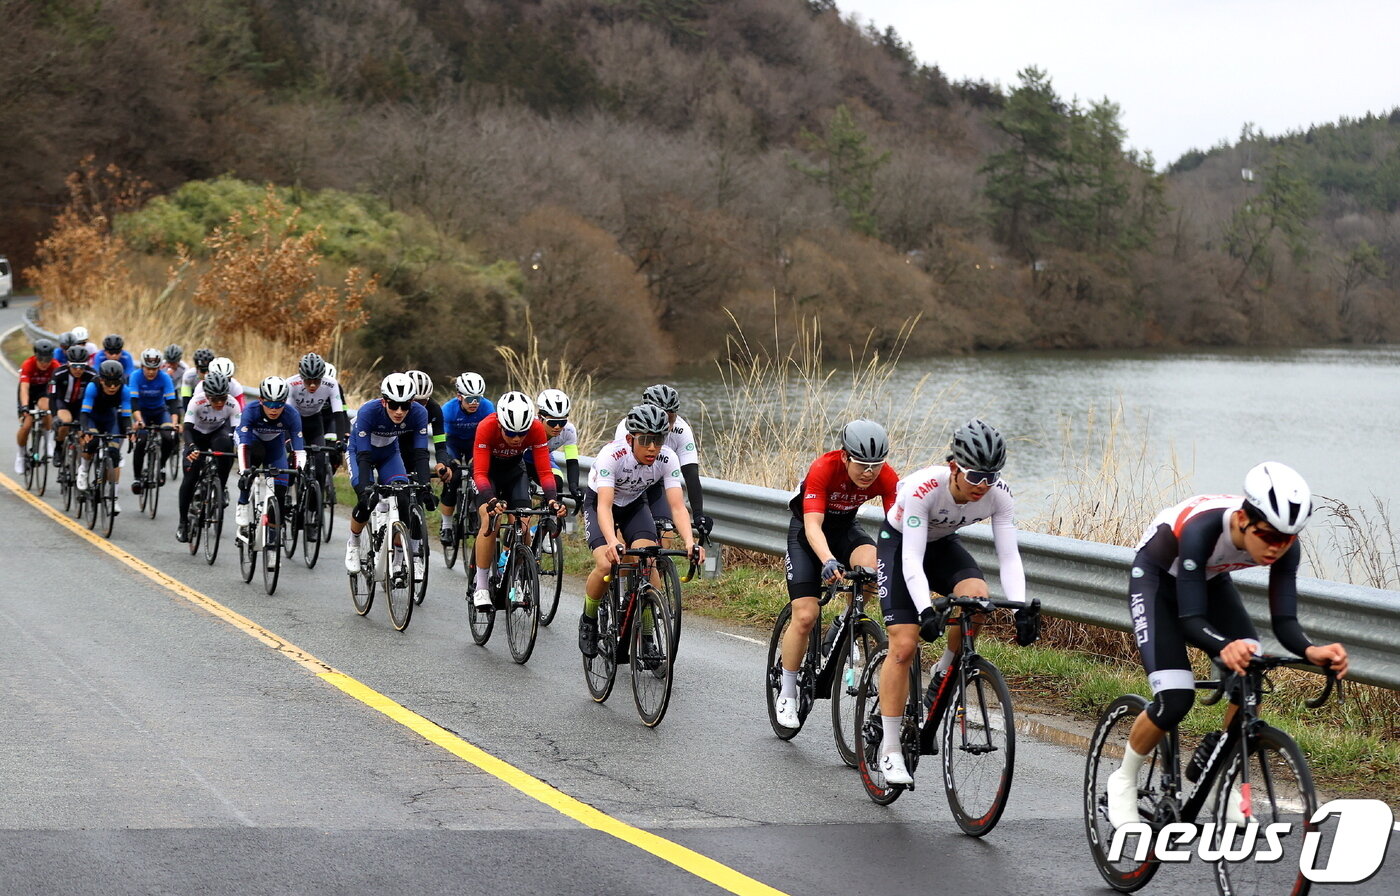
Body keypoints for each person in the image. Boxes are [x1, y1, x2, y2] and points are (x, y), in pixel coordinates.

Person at [1104, 462, 1349, 829]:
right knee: (1175, 698)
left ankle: (1226, 772)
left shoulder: (1283, 546)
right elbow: (1190, 619)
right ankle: (1122, 779)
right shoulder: (1203, 528)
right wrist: (1223, 646)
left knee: (1250, 665)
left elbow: (1284, 622)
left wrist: (1310, 652)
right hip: (1157, 582)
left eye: (1288, 540)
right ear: (1243, 520)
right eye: (1268, 536)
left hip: (1209, 582)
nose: (1277, 548)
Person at [873, 419, 1036, 785]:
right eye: (975, 476)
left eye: (991, 477)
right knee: (903, 645)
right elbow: (912, 559)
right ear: (953, 468)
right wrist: (925, 610)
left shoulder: (999, 495)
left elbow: (1009, 558)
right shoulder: (923, 489)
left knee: (977, 597)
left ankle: (944, 668)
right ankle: (891, 748)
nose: (983, 486)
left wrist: (1017, 607)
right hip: (902, 544)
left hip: (942, 543)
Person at [773, 420, 899, 729]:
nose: (869, 472)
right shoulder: (825, 469)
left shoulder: (886, 476)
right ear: (845, 457)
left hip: (845, 531)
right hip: (806, 533)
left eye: (876, 465)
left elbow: (897, 526)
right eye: (862, 464)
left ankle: (847, 618)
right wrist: (828, 561)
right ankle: (787, 691)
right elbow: (813, 526)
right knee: (805, 615)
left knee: (872, 567)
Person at [578, 404, 704, 658]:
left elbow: (678, 506)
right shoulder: (611, 456)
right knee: (605, 564)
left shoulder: (667, 458)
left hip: (634, 504)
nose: (652, 448)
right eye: (645, 440)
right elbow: (603, 507)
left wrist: (690, 542)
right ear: (630, 438)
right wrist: (613, 541)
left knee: (650, 564)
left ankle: (646, 636)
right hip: (602, 504)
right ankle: (588, 620)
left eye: (658, 440)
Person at [468, 391, 563, 608]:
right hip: (487, 473)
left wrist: (552, 500)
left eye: (522, 433)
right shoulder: (486, 426)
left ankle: (516, 576)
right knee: (490, 521)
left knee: (524, 522)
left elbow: (545, 471)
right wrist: (491, 500)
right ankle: (481, 586)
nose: (517, 439)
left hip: (514, 472)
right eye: (511, 433)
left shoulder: (537, 429)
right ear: (500, 424)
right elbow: (481, 473)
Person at [345, 373, 432, 573]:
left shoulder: (419, 413)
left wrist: (425, 486)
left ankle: (398, 559)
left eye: (405, 406)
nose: (400, 412)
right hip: (360, 452)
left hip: (389, 454)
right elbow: (364, 456)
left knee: (403, 497)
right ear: (384, 401)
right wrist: (366, 488)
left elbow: (421, 453)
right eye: (393, 405)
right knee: (367, 500)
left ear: (412, 402)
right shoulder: (368, 411)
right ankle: (354, 543)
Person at [611, 383, 709, 540]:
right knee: (626, 533)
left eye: (672, 418)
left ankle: (660, 563)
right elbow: (621, 468)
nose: (668, 426)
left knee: (666, 531)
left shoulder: (682, 430)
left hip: (657, 482)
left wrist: (698, 514)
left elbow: (691, 474)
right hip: (629, 482)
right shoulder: (628, 427)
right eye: (664, 417)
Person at [233, 376, 305, 544]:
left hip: (274, 445)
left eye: (279, 404)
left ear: (285, 402)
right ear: (261, 400)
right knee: (252, 462)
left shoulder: (291, 415)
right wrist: (244, 470)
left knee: (281, 489)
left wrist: (299, 468)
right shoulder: (251, 411)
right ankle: (243, 503)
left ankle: (272, 536)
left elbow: (299, 449)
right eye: (270, 404)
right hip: (250, 442)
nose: (274, 409)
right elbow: (243, 445)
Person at [175, 371, 240, 543]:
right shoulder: (196, 401)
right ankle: (183, 524)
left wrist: (241, 451)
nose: (219, 403)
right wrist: (191, 447)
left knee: (226, 447)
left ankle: (220, 487)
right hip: (196, 435)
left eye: (222, 398)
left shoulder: (232, 404)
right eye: (215, 399)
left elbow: (238, 432)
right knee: (190, 477)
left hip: (217, 433)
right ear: (207, 396)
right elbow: (187, 429)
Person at [437, 372, 494, 545]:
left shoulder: (488, 407)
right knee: (452, 478)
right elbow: (441, 438)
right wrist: (449, 461)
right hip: (452, 443)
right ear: (459, 397)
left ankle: (471, 507)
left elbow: (492, 435)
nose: (474, 403)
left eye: (478, 399)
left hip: (475, 444)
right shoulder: (448, 410)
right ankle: (446, 526)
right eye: (469, 399)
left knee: (477, 471)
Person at [77, 359, 135, 512]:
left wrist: (129, 431)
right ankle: (83, 470)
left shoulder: (124, 390)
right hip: (93, 419)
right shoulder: (92, 386)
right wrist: (85, 430)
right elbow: (84, 413)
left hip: (110, 420)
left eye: (116, 383)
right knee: (93, 442)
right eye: (108, 383)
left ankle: (113, 498)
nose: (112, 387)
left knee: (114, 454)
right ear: (101, 380)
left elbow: (125, 417)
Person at [286, 352, 347, 489]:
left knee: (320, 463)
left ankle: (314, 503)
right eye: (308, 381)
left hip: (315, 422)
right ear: (301, 377)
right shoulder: (291, 383)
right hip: (296, 422)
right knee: (296, 461)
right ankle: (286, 494)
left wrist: (340, 439)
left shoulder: (331, 384)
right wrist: (288, 439)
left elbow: (339, 414)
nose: (313, 385)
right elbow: (286, 415)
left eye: (317, 380)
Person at [128, 348, 180, 494]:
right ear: (142, 366)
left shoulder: (165, 378)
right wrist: (139, 421)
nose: (151, 372)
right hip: (141, 412)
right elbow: (134, 402)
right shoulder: (135, 376)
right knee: (142, 439)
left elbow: (172, 403)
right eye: (148, 368)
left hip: (159, 411)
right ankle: (137, 478)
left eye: (154, 369)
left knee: (168, 436)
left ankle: (161, 465)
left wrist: (174, 422)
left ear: (159, 368)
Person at [47, 344, 97, 469]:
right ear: (68, 364)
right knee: (65, 422)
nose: (78, 370)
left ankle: (82, 469)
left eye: (82, 366)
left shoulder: (92, 375)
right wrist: (54, 416)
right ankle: (58, 448)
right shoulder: (59, 373)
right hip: (63, 403)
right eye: (75, 366)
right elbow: (52, 397)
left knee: (83, 435)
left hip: (81, 406)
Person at [16, 338, 60, 474]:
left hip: (43, 391)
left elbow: (57, 390)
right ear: (36, 357)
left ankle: (47, 443)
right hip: (28, 391)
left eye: (47, 361)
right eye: (41, 360)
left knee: (46, 410)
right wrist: (24, 407)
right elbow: (24, 388)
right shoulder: (28, 364)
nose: (44, 364)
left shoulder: (55, 365)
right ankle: (21, 455)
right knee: (27, 424)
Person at [538, 388, 581, 501]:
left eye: (562, 422)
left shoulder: (569, 430)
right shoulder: (531, 428)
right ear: (540, 417)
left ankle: (552, 517)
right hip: (524, 461)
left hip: (545, 459)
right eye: (552, 422)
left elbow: (572, 461)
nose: (557, 426)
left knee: (557, 482)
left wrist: (573, 486)